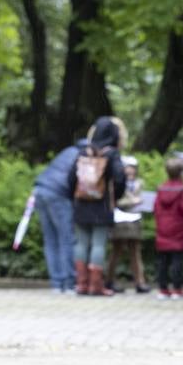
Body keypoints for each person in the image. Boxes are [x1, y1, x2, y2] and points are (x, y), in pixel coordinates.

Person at [68, 116, 127, 296]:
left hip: (81, 204)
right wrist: (114, 197)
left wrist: (76, 196)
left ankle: (81, 284)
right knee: (98, 244)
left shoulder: (83, 152)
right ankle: (96, 286)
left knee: (81, 243)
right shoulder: (112, 154)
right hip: (102, 207)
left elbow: (71, 178)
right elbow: (120, 179)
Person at [34, 138, 86, 293]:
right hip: (58, 195)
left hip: (40, 190)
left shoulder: (67, 151)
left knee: (50, 240)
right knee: (66, 239)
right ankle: (69, 283)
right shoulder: (83, 157)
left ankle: (56, 283)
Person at [153, 156, 183, 299]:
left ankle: (162, 289)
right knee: (177, 261)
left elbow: (155, 209)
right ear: (182, 172)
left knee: (162, 261)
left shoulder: (161, 190)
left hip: (162, 229)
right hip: (179, 230)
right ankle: (177, 289)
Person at [106, 157, 150, 294]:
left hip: (134, 219)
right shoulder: (116, 183)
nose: (130, 170)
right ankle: (109, 280)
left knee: (135, 251)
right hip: (119, 219)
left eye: (133, 168)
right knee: (116, 251)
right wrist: (132, 201)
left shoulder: (139, 183)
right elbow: (115, 201)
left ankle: (139, 282)